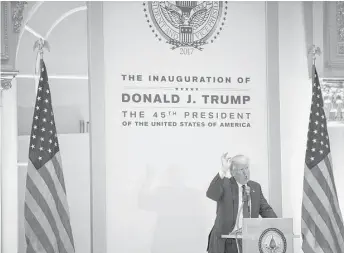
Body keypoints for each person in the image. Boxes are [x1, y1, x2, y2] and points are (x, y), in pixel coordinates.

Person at [206, 153, 277, 253]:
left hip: (246, 240)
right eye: (242, 170)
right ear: (233, 172)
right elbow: (211, 194)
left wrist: (279, 226)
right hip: (226, 241)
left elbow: (265, 209)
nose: (246, 173)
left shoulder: (255, 187)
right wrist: (223, 170)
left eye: (247, 168)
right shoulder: (225, 184)